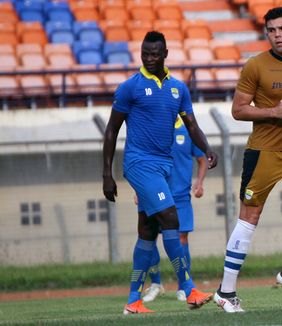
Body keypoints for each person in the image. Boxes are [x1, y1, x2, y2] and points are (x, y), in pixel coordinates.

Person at [213, 7, 282, 313]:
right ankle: (226, 292)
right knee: (249, 217)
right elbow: (238, 110)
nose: (277, 35)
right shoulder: (255, 66)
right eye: (272, 30)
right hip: (263, 152)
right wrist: (272, 112)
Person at [102, 31, 218, 315]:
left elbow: (192, 126)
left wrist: (207, 148)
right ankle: (189, 288)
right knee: (170, 217)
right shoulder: (130, 87)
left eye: (155, 54)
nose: (150, 59)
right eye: (145, 54)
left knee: (148, 231)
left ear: (166, 54)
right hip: (139, 164)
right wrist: (106, 173)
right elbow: (111, 130)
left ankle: (133, 300)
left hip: (163, 166)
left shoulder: (178, 89)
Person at [141, 116, 208, 303]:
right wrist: (140, 188)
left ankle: (183, 285)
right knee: (149, 238)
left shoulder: (188, 129)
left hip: (181, 197)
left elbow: (203, 159)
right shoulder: (153, 126)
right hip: (154, 193)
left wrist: (200, 182)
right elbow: (142, 161)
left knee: (181, 238)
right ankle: (156, 284)